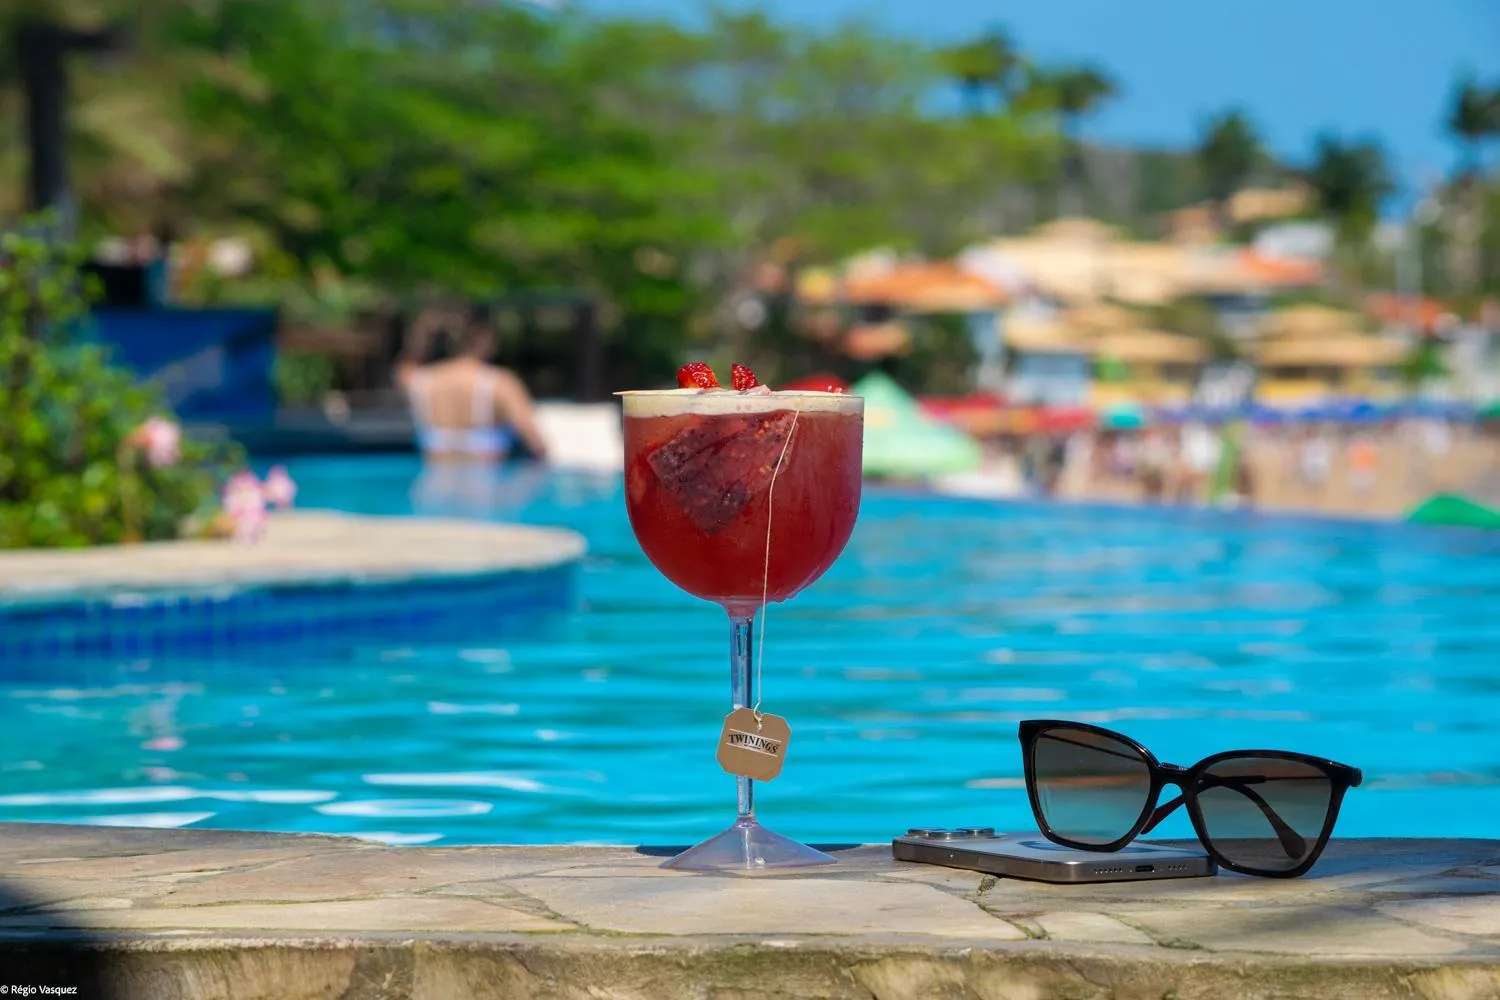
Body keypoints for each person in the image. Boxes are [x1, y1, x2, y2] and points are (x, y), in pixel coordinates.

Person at [396, 305, 549, 462]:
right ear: (486, 338)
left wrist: (425, 327)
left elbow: (405, 363)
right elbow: (537, 444)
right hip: (487, 483)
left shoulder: (421, 381)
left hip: (431, 483)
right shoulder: (500, 383)